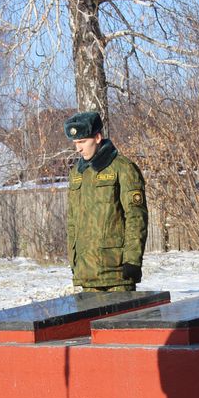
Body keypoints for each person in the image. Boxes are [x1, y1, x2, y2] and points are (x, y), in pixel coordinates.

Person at [64, 111, 148, 291]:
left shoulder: (123, 168)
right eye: (75, 143)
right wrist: (74, 259)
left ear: (97, 137)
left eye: (82, 141)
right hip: (86, 273)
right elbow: (72, 221)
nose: (78, 148)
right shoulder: (77, 174)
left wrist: (132, 259)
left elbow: (136, 217)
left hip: (117, 273)